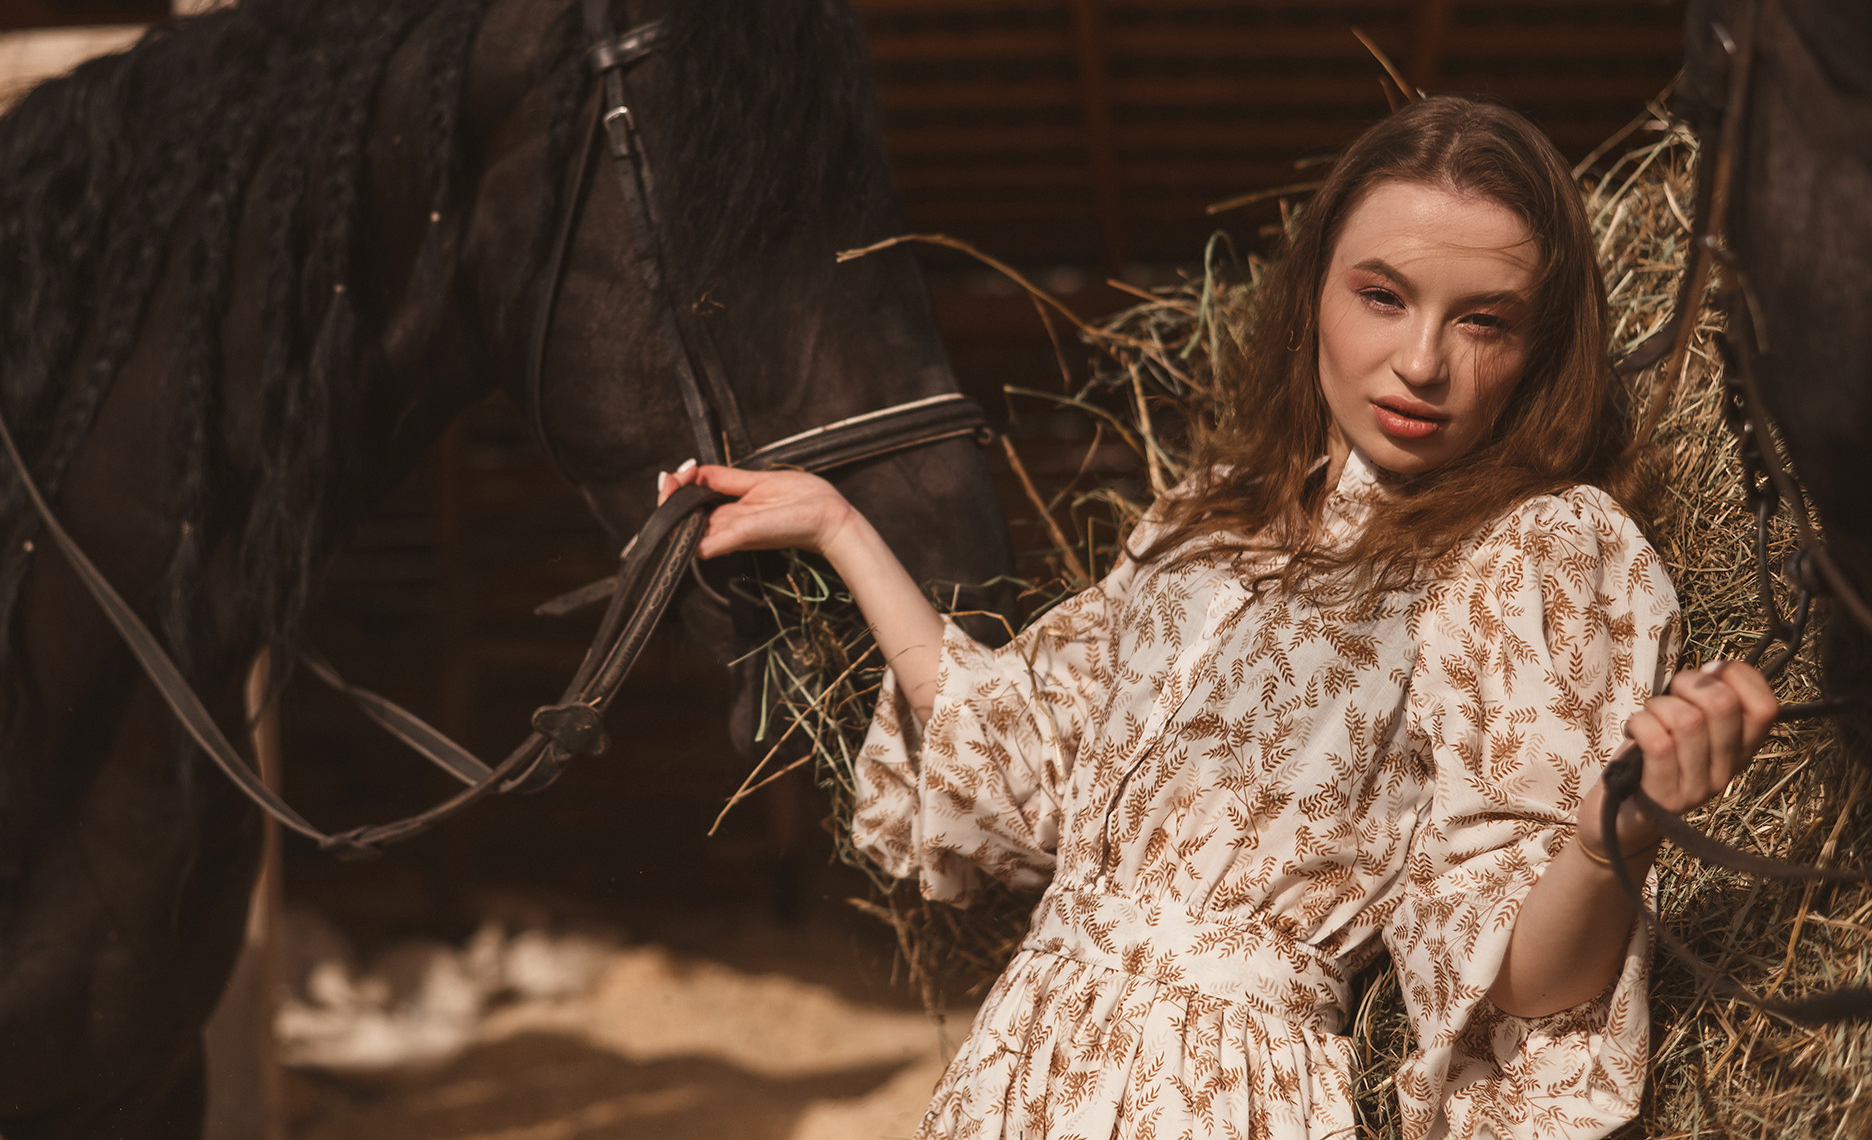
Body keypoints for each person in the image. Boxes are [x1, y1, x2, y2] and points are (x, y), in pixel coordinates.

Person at [659, 97, 1778, 1140]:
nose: (1422, 362)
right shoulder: (1207, 520)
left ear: (1538, 353)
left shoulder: (1532, 552)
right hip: (1017, 1070)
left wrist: (1604, 843)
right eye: (1381, 297)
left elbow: (1515, 986)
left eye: (1483, 322)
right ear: (1312, 296)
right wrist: (841, 529)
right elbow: (1014, 758)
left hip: (1218, 1094)